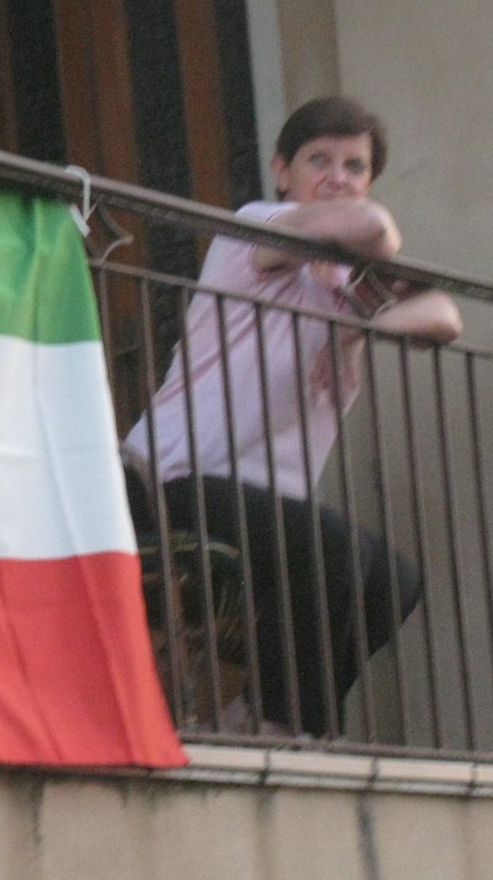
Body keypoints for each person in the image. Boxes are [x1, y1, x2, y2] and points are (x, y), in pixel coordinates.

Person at [122, 96, 462, 737]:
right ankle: (290, 728)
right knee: (332, 549)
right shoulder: (257, 229)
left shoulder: (344, 286)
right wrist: (359, 275)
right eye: (319, 161)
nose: (338, 176)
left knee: (395, 580)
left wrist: (356, 333)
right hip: (166, 478)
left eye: (355, 166)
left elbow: (445, 317)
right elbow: (371, 228)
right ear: (283, 172)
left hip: (260, 504)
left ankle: (260, 718)